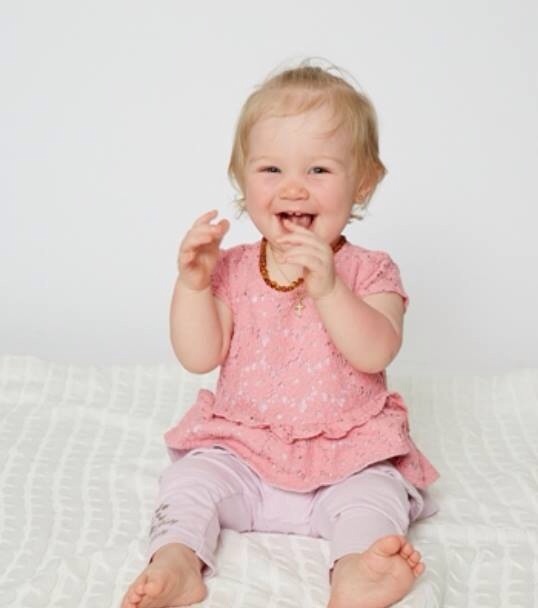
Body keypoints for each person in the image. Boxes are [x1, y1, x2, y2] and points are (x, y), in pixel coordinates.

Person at [121, 60, 439, 608]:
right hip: (243, 451)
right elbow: (199, 355)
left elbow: (375, 350)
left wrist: (329, 288)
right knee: (190, 483)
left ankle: (358, 571)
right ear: (242, 178)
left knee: (374, 497)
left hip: (346, 458)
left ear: (363, 181)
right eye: (271, 169)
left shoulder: (370, 270)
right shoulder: (233, 268)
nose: (293, 187)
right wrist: (193, 285)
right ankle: (176, 559)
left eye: (319, 170)